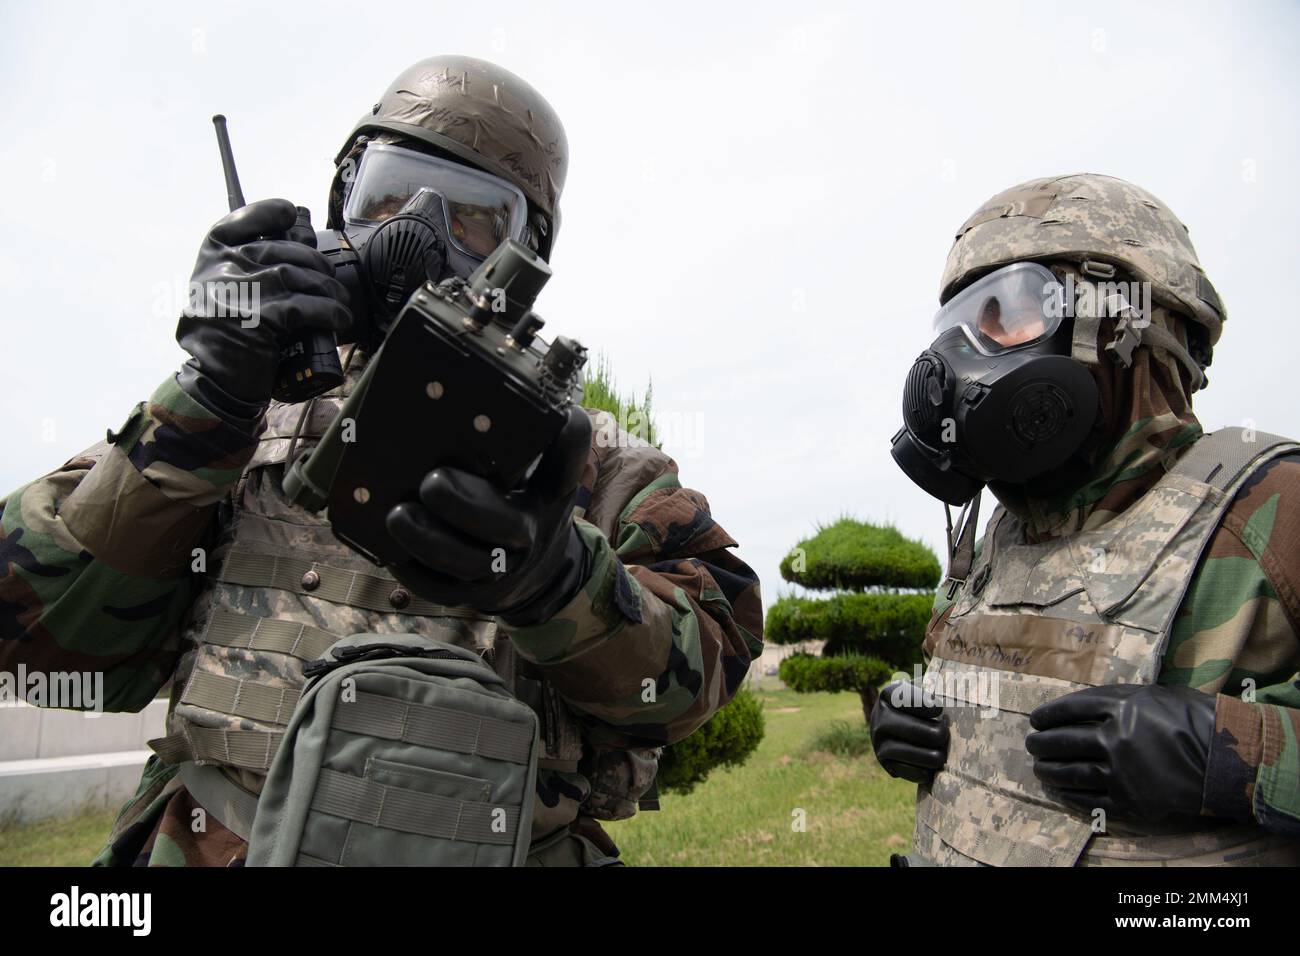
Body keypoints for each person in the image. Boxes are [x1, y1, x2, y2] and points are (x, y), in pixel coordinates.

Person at [0, 55, 763, 866]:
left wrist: (558, 581)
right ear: (341, 203)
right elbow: (29, 634)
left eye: (475, 217)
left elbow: (704, 671)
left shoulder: (592, 459)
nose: (419, 230)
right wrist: (208, 398)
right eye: (389, 196)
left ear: (525, 257)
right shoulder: (244, 416)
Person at [873, 173, 1300, 866]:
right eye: (951, 329)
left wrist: (1228, 753)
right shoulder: (1003, 535)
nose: (953, 362)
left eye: (1004, 312)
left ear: (1127, 326)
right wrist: (917, 707)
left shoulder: (1269, 505)